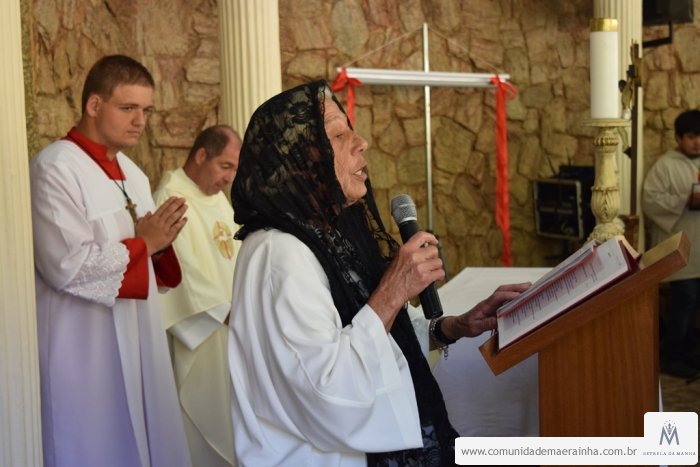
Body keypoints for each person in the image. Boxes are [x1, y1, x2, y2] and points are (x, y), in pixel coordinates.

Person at [227, 80, 529, 466]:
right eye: (338, 135)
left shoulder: (326, 234)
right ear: (302, 161)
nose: (361, 142)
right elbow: (328, 391)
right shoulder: (278, 253)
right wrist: (394, 290)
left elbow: (374, 336)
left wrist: (450, 328)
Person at [30, 54, 191, 467]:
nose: (140, 121)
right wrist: (144, 244)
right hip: (82, 345)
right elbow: (65, 265)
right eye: (128, 107)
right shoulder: (55, 169)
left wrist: (160, 244)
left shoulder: (133, 174)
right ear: (94, 105)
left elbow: (148, 254)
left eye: (146, 110)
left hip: (138, 334)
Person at [154, 125, 242, 467]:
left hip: (236, 328)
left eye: (234, 169)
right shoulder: (171, 199)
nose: (229, 178)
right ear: (201, 155)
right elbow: (182, 273)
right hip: (207, 331)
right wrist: (228, 311)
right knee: (204, 428)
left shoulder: (217, 199)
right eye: (225, 166)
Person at [643, 109, 700, 379]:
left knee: (695, 303)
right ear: (678, 138)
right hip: (682, 252)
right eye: (691, 136)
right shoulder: (665, 165)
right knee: (684, 301)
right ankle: (672, 356)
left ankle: (688, 351)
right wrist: (685, 200)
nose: (697, 142)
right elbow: (650, 202)